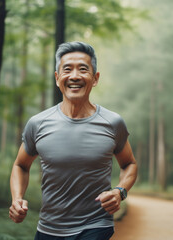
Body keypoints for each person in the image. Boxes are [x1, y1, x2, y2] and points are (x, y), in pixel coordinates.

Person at [9, 41, 137, 240]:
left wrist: (120, 191)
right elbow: (20, 165)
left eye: (83, 70)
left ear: (95, 79)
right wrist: (17, 199)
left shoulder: (112, 123)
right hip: (48, 228)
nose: (75, 76)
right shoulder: (38, 123)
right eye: (67, 69)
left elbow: (129, 164)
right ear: (57, 77)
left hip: (96, 225)